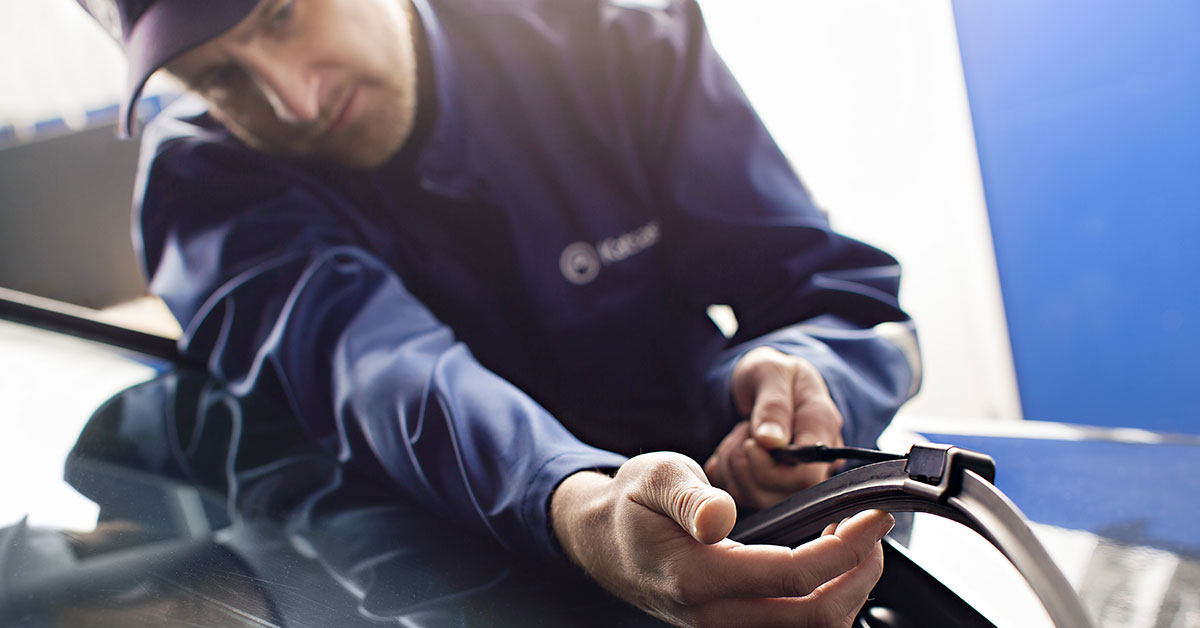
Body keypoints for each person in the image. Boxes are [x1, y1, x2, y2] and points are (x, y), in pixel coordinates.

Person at [77, 0, 921, 625]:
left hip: (750, 528)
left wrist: (797, 384)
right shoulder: (205, 188)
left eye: (284, 14)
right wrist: (575, 501)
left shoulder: (613, 31)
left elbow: (836, 297)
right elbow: (380, 372)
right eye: (220, 78)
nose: (292, 101)